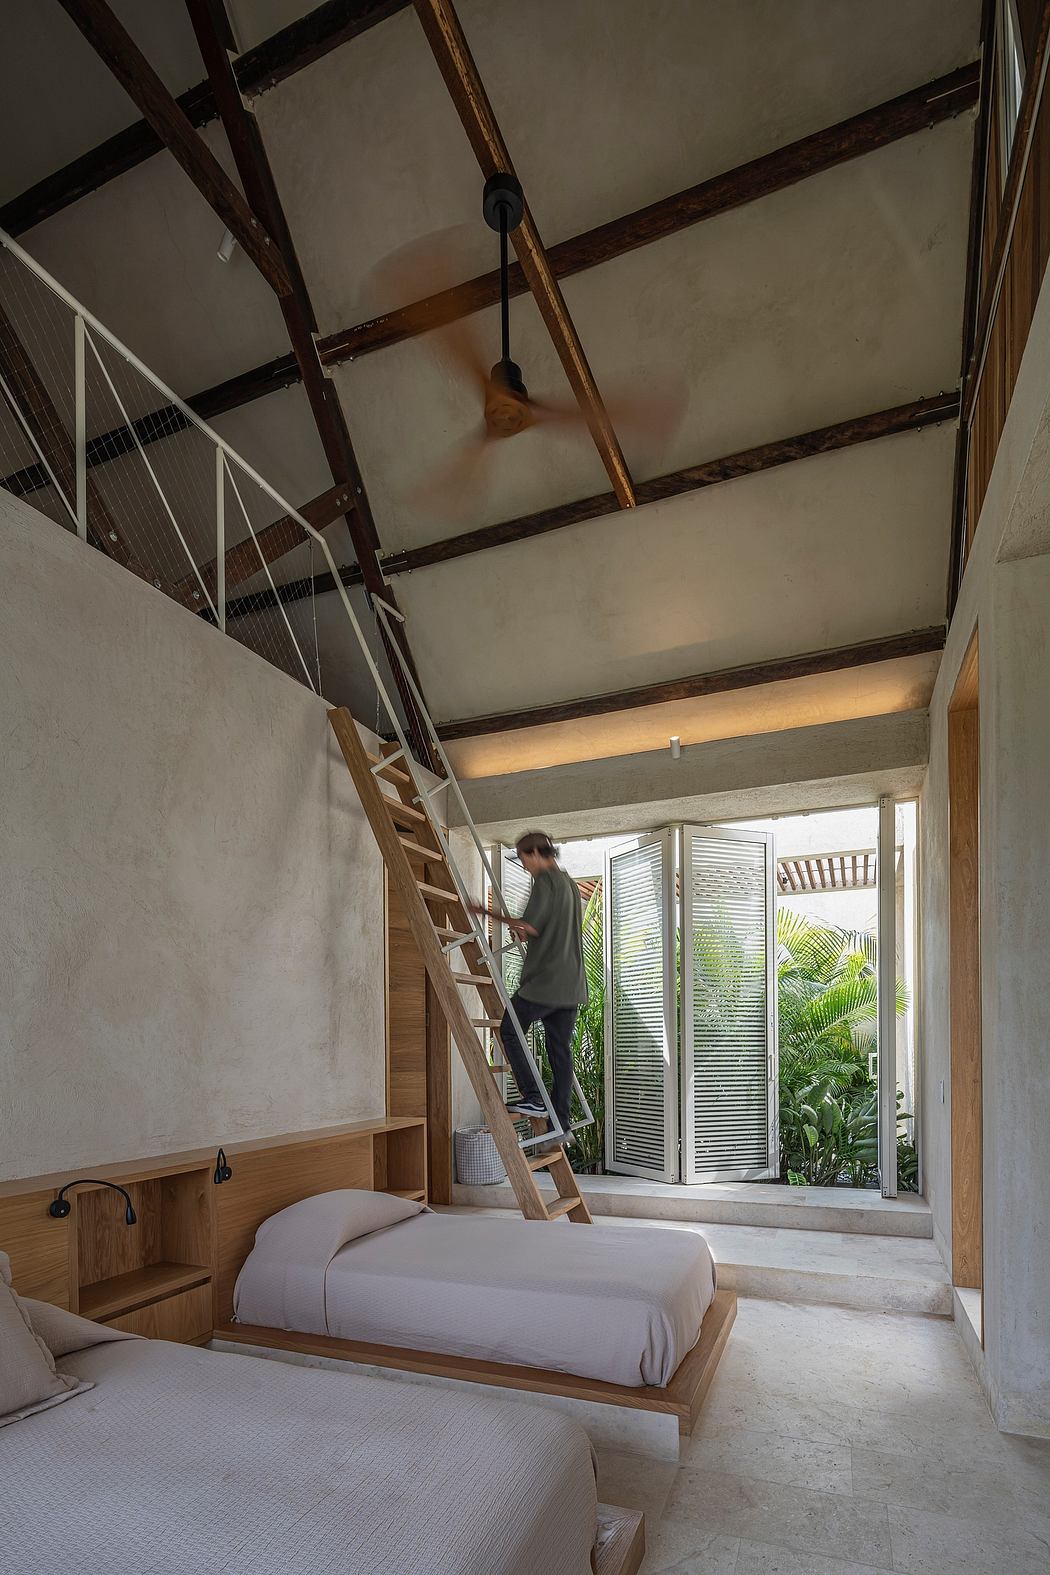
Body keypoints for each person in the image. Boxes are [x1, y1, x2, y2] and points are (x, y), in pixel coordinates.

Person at [472, 831, 586, 1152]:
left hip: (545, 983)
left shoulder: (546, 882)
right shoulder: (569, 884)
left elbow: (532, 926)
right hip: (571, 986)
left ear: (536, 853)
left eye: (524, 859)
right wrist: (528, 932)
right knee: (560, 1054)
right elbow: (547, 931)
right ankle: (560, 1126)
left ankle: (534, 1097)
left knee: (510, 1031)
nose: (524, 866)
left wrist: (486, 913)